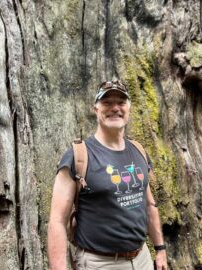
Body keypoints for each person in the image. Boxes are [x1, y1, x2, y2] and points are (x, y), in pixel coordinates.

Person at [47, 80, 167, 270]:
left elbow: (149, 204)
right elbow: (57, 222)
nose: (115, 108)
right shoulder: (78, 156)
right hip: (100, 263)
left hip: (142, 258)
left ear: (129, 108)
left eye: (121, 102)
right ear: (96, 109)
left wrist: (160, 249)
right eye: (107, 102)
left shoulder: (139, 151)